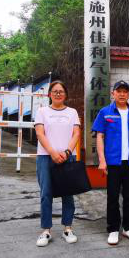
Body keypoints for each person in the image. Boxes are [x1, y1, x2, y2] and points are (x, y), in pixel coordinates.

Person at [92, 80, 129, 246]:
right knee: (113, 196)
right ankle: (113, 229)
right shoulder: (105, 112)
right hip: (113, 161)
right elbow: (99, 137)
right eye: (119, 91)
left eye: (125, 91)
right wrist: (102, 160)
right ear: (113, 93)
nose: (122, 94)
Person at [33, 80, 81, 247]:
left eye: (61, 91)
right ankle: (46, 230)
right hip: (46, 157)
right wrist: (52, 153)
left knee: (68, 193)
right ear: (50, 94)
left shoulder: (72, 112)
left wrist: (67, 152)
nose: (58, 94)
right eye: (55, 91)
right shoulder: (42, 111)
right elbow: (40, 133)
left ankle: (68, 228)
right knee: (46, 193)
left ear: (65, 94)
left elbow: (76, 133)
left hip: (68, 157)